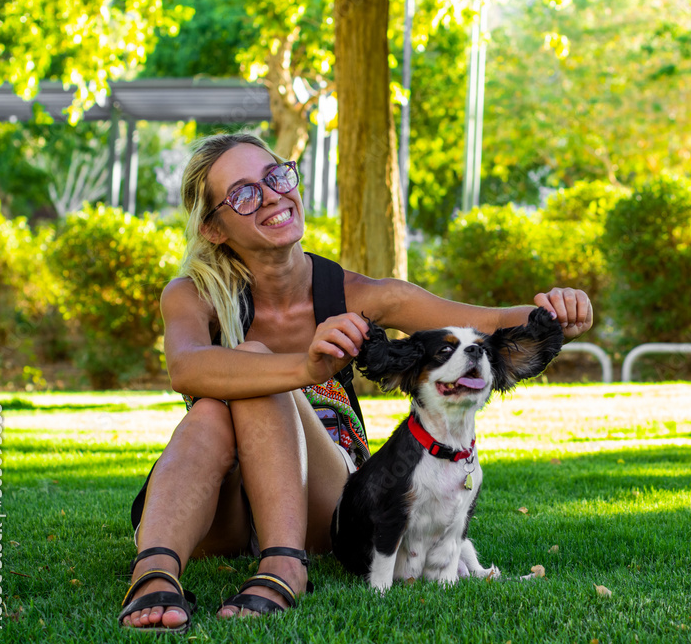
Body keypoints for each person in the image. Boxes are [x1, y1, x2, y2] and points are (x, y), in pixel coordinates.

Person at [118, 133, 593, 632]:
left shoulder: (355, 294)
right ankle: (154, 572)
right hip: (223, 507)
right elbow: (186, 369)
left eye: (275, 176)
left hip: (323, 501)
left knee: (253, 368)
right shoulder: (192, 294)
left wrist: (555, 311)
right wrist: (304, 369)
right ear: (214, 227)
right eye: (243, 193)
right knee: (215, 406)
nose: (273, 195)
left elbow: (484, 322)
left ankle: (283, 566)